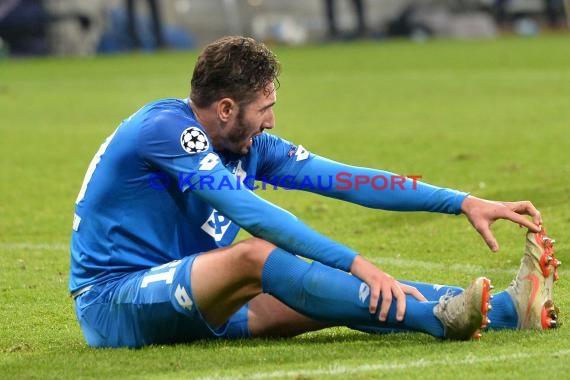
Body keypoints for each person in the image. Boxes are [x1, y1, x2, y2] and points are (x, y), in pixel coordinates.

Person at [69, 36, 560, 348]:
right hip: (115, 301)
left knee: (327, 300)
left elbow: (351, 180)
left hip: (197, 297)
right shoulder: (167, 131)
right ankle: (439, 322)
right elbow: (251, 213)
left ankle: (510, 310)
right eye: (264, 107)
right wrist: (354, 260)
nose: (272, 120)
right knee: (255, 257)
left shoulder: (250, 143)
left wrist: (461, 201)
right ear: (224, 108)